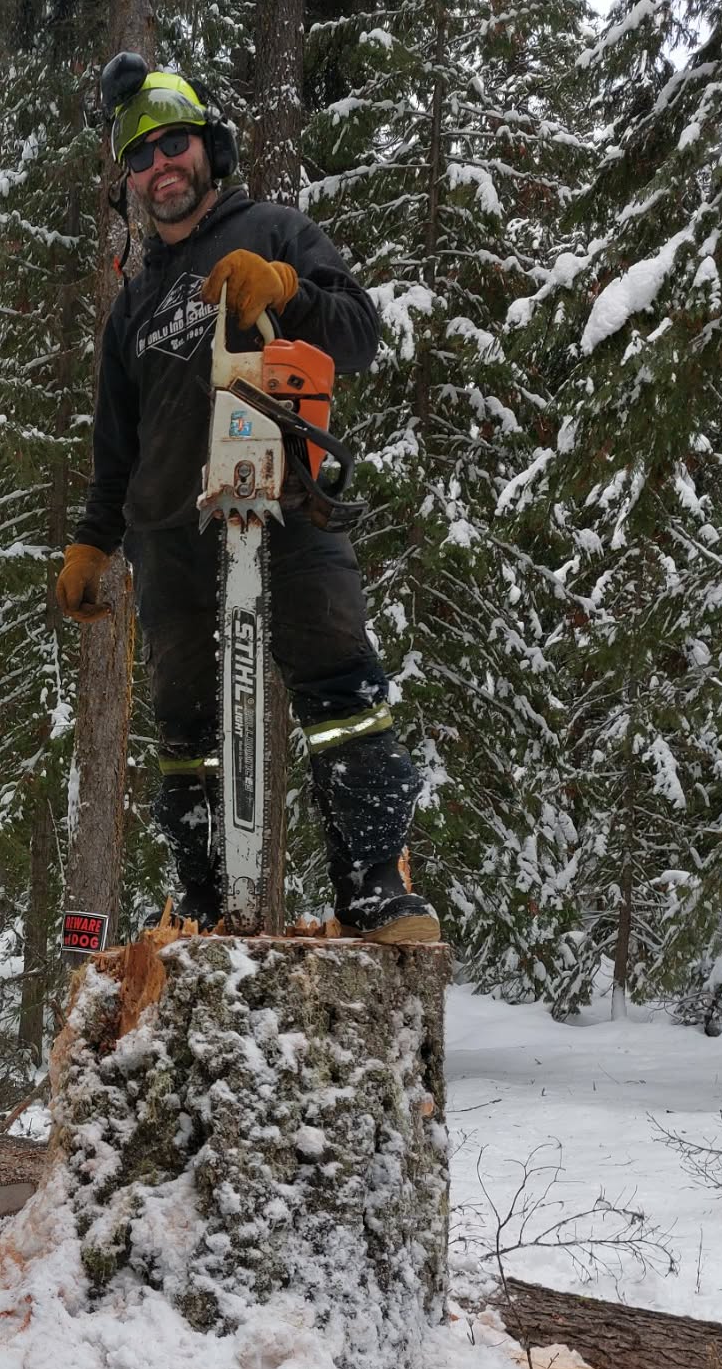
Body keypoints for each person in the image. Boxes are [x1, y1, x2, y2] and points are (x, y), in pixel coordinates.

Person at [56, 59, 440, 945]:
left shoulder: (273, 227)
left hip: (286, 506)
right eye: (141, 157)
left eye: (175, 144)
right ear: (129, 183)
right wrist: (91, 543)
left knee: (344, 694)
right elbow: (118, 448)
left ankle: (376, 891)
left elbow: (360, 334)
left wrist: (290, 290)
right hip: (171, 538)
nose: (162, 167)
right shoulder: (133, 306)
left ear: (209, 149)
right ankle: (205, 908)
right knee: (187, 732)